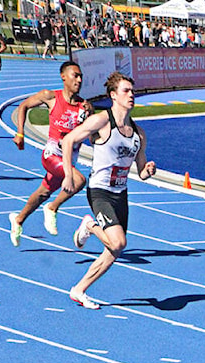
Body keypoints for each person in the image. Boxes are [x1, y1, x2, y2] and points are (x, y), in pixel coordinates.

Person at [61, 72, 156, 310]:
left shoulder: (138, 134)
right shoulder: (102, 122)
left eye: (133, 91)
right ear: (113, 96)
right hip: (100, 191)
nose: (131, 95)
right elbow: (69, 140)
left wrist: (148, 170)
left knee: (113, 251)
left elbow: (141, 171)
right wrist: (68, 173)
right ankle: (90, 226)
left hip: (120, 194)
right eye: (126, 91)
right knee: (118, 243)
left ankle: (79, 290)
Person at [8, 61, 91, 247]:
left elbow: (92, 136)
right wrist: (20, 132)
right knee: (78, 181)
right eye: (75, 75)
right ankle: (52, 208)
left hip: (69, 159)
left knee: (43, 192)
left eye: (81, 77)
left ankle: (18, 220)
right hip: (51, 155)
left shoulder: (84, 107)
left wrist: (91, 117)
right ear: (63, 76)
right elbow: (23, 106)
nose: (79, 79)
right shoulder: (51, 96)